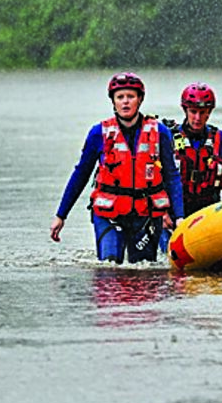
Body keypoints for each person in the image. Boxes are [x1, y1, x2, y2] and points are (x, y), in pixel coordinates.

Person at [49, 72, 185, 263]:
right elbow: (81, 174)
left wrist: (179, 216)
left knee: (143, 270)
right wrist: (61, 215)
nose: (125, 102)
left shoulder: (159, 132)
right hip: (109, 214)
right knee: (110, 266)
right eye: (120, 97)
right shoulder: (99, 133)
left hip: (146, 214)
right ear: (113, 101)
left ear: (140, 99)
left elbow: (171, 176)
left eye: (131, 96)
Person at [163, 82, 222, 217]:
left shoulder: (221, 139)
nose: (197, 118)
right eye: (193, 112)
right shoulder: (168, 136)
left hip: (209, 209)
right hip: (176, 211)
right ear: (185, 110)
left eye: (202, 112)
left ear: (209, 112)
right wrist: (163, 213)